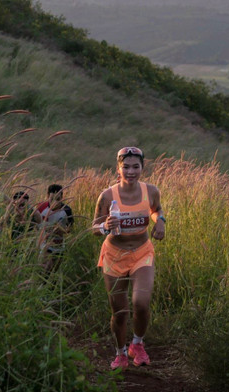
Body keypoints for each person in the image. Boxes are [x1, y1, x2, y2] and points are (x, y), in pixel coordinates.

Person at [92, 146, 166, 369]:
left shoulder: (151, 191)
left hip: (142, 252)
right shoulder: (107, 196)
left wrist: (160, 220)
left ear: (143, 167)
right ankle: (120, 352)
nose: (131, 171)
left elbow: (156, 209)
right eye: (126, 167)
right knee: (120, 312)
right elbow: (94, 227)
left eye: (136, 166)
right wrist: (105, 226)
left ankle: (137, 344)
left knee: (141, 303)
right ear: (118, 168)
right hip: (114, 256)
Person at [37, 183, 74, 272]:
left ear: (62, 198)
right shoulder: (41, 207)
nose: (55, 202)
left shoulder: (67, 210)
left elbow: (70, 229)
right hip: (44, 245)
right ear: (47, 196)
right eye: (52, 199)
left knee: (53, 272)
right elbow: (34, 224)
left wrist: (61, 231)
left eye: (58, 199)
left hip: (59, 246)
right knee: (45, 269)